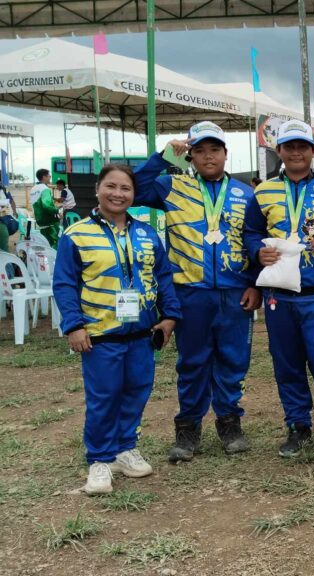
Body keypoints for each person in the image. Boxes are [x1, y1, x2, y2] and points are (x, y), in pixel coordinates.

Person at [134, 121, 261, 463]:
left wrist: (253, 282)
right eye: (200, 150)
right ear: (189, 156)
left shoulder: (245, 193)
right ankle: (187, 429)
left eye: (214, 149)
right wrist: (162, 156)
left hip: (235, 293)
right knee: (192, 362)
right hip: (189, 293)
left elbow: (253, 240)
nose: (208, 156)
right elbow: (134, 187)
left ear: (225, 154)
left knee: (234, 361)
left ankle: (229, 423)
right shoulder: (171, 187)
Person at [52, 165, 181, 495]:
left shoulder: (147, 234)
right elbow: (65, 284)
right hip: (100, 336)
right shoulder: (76, 234)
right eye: (111, 186)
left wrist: (169, 317)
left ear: (134, 194)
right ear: (97, 188)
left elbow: (163, 277)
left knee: (137, 390)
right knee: (104, 397)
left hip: (142, 333)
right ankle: (99, 459)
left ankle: (125, 449)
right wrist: (74, 326)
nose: (118, 194)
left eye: (126, 188)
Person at [243, 119, 314, 458]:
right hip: (278, 294)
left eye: (302, 147)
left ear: (313, 152)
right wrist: (256, 252)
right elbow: (249, 233)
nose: (295, 152)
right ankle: (297, 425)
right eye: (289, 147)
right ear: (279, 151)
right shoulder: (262, 192)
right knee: (286, 363)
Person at [30, 168, 61, 247]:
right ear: (44, 177)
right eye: (49, 176)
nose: (50, 177)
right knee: (55, 243)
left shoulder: (33, 188)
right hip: (50, 222)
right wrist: (58, 210)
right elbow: (46, 206)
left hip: (40, 221)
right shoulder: (45, 189)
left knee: (45, 244)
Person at [0, 185, 18, 252]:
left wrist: (15, 212)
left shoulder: (4, 190)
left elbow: (11, 201)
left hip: (4, 219)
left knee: (3, 242)